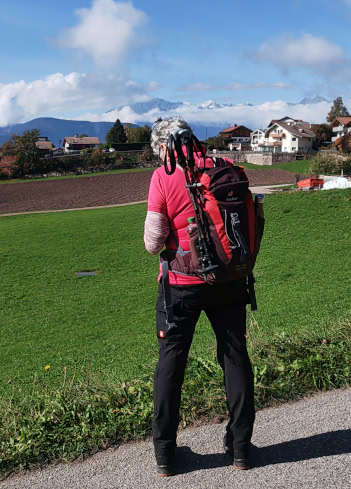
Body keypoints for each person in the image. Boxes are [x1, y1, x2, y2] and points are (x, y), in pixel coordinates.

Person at [144, 117, 255, 476]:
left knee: (171, 363)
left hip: (182, 286)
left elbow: (153, 243)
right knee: (235, 356)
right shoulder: (223, 167)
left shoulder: (164, 175)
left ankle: (165, 455)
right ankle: (240, 449)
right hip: (230, 279)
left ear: (164, 146)